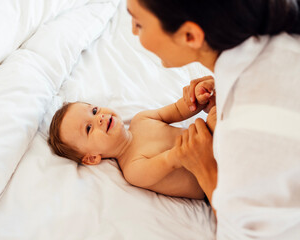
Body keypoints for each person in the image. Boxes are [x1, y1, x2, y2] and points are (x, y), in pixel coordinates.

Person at [126, 0, 300, 239]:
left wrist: (205, 167)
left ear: (190, 35)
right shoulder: (279, 40)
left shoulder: (249, 132)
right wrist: (226, 90)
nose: (134, 32)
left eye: (138, 23)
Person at [48, 80, 216, 199]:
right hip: (216, 179)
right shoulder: (133, 169)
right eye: (88, 128)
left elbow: (178, 110)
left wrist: (197, 98)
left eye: (93, 111)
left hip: (214, 143)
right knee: (219, 119)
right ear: (92, 157)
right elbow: (174, 159)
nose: (99, 118)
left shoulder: (141, 120)